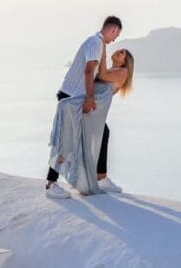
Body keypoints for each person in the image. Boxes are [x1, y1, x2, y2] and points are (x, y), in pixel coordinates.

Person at [45, 16, 124, 198]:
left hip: (76, 97)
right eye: (116, 35)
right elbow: (89, 71)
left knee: (102, 132)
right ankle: (51, 184)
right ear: (113, 30)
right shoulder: (95, 43)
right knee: (66, 141)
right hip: (71, 98)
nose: (115, 40)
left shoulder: (97, 44)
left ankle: (101, 177)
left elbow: (96, 74)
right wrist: (89, 99)